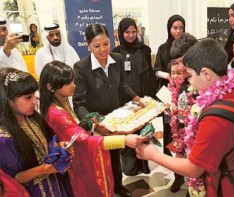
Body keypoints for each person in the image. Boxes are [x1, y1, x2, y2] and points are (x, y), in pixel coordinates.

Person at [136, 38, 234, 196]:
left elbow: (194, 169)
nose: (188, 79)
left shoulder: (214, 115)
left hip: (225, 184)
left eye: (190, 73)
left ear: (206, 73)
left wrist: (153, 154)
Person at [39, 60, 149, 197]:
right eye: (68, 83)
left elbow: (74, 133)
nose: (74, 85)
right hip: (77, 165)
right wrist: (124, 140)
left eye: (73, 81)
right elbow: (83, 141)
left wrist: (88, 126)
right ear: (50, 87)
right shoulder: (56, 113)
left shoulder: (61, 102)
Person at [73, 24, 144, 197]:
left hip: (115, 120)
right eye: (97, 46)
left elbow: (122, 86)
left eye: (106, 43)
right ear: (88, 45)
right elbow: (78, 103)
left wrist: (138, 100)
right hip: (96, 124)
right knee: (99, 162)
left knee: (115, 156)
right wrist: (93, 122)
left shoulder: (117, 59)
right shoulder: (81, 67)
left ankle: (118, 187)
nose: (103, 49)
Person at [0, 67, 73, 196]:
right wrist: (46, 169)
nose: (35, 100)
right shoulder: (4, 138)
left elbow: (46, 147)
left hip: (56, 186)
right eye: (28, 97)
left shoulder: (33, 119)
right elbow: (14, 179)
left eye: (35, 94)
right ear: (9, 101)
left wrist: (59, 148)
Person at [112, 18, 157, 176]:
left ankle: (143, 165)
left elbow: (149, 74)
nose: (130, 35)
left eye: (133, 32)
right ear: (120, 33)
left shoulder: (144, 49)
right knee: (128, 133)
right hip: (125, 100)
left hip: (143, 100)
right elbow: (117, 80)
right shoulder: (115, 53)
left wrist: (151, 99)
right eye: (127, 32)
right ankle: (129, 166)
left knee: (142, 132)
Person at [166, 32, 198, 193]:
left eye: (182, 62)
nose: (179, 67)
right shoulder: (184, 80)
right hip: (183, 132)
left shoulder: (203, 80)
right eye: (176, 63)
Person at [154, 14, 185, 89]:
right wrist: (168, 76)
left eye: (181, 28)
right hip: (166, 86)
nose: (178, 31)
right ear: (169, 29)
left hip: (184, 86)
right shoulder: (162, 48)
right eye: (175, 28)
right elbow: (156, 71)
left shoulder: (187, 47)